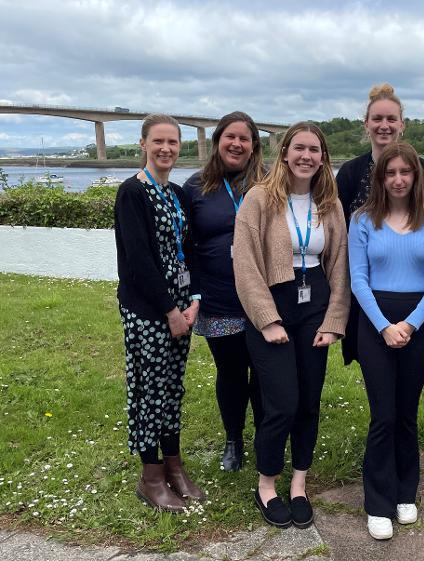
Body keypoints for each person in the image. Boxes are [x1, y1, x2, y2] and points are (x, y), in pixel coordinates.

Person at [233, 122, 350, 529]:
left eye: (314, 150)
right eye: (299, 148)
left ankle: (299, 483)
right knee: (281, 402)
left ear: (323, 158)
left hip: (314, 304)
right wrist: (267, 320)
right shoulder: (260, 199)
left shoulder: (329, 202)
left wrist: (334, 321)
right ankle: (267, 484)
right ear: (284, 153)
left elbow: (340, 267)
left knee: (309, 402)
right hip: (272, 302)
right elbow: (245, 266)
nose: (306, 156)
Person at [348, 142, 424, 540]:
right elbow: (358, 279)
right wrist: (384, 326)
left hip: (418, 322)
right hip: (374, 324)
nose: (397, 180)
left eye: (404, 172)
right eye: (389, 173)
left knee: (407, 414)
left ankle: (406, 492)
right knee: (383, 415)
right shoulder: (361, 220)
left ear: (415, 176)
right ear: (380, 177)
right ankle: (377, 502)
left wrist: (409, 324)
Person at [114, 113, 205, 512]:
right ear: (143, 145)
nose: (166, 149)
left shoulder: (179, 195)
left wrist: (193, 301)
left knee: (172, 388)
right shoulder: (132, 193)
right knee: (148, 391)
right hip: (149, 309)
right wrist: (169, 309)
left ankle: (174, 465)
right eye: (158, 142)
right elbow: (138, 259)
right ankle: (150, 476)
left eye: (173, 143)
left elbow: (193, 250)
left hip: (182, 309)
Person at [336, 83, 424, 366]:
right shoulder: (349, 173)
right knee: (373, 361)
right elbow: (336, 232)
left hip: (413, 294)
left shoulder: (423, 172)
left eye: (391, 119)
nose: (384, 125)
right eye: (378, 119)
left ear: (402, 125)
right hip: (362, 288)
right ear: (366, 124)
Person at [183, 111, 266, 471]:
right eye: (229, 137)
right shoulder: (196, 186)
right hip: (219, 299)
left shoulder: (268, 183)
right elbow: (186, 247)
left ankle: (266, 437)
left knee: (265, 373)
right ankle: (233, 438)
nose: (236, 144)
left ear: (253, 147)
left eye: (244, 139)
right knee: (231, 372)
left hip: (265, 298)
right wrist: (193, 293)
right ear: (217, 142)